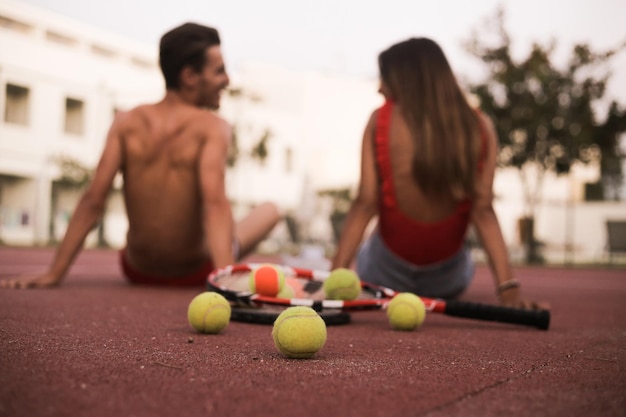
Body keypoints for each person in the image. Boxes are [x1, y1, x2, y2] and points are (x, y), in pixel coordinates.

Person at [0, 22, 281, 289]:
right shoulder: (213, 128)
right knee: (269, 210)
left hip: (136, 269)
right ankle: (224, 271)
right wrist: (225, 283)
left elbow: (93, 200)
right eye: (219, 71)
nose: (227, 80)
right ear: (190, 77)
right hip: (195, 270)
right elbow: (214, 204)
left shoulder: (126, 122)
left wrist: (54, 273)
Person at [331, 38, 547, 309]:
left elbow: (365, 203)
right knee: (463, 255)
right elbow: (483, 211)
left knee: (372, 248)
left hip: (382, 275)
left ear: (404, 79)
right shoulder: (479, 126)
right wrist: (509, 292)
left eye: (384, 78)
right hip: (447, 281)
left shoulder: (380, 120)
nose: (378, 88)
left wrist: (331, 283)